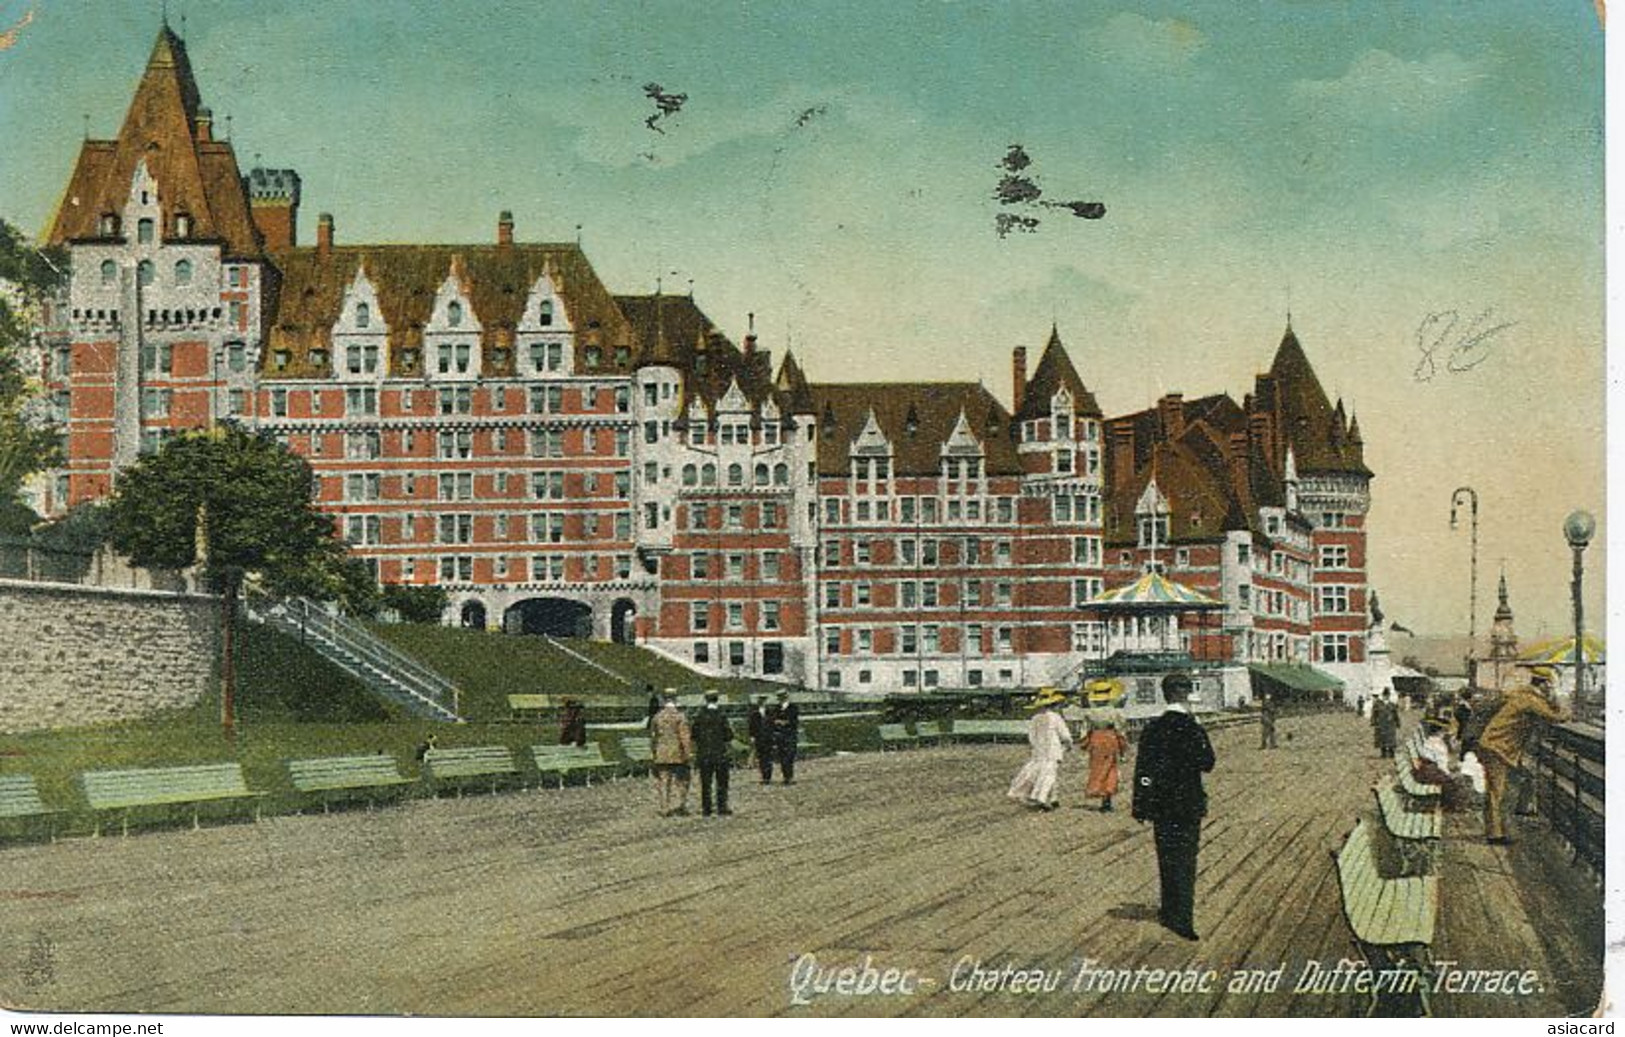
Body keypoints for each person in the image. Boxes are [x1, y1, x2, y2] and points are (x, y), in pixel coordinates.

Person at [1132, 672, 1216, 941]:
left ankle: (1169, 911)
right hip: (1188, 804)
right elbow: (1208, 763)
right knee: (1185, 859)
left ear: (1164, 694)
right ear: (1187, 694)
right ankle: (1182, 919)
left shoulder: (1152, 728)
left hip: (1160, 804)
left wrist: (1141, 804)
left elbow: (1143, 771)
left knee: (1166, 857)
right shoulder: (1193, 727)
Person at [1478, 666, 1568, 845]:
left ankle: (1515, 815)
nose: (1550, 688)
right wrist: (1559, 695)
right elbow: (1559, 716)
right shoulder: (1530, 700)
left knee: (1522, 779)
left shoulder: (1525, 696)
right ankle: (1495, 834)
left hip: (1497, 746)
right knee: (1497, 791)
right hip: (1497, 747)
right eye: (1550, 685)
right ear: (1544, 685)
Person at [1006, 687, 1074, 810]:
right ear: (1055, 704)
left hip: (1038, 750)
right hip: (1052, 750)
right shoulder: (1055, 717)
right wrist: (1069, 744)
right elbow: (1065, 735)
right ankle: (1041, 799)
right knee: (1049, 774)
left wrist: (1035, 746)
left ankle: (1053, 799)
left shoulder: (1035, 718)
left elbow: (1031, 736)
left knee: (1041, 772)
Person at [649, 693, 693, 817]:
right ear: (675, 699)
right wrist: (688, 753)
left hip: (661, 752)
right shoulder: (680, 717)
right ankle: (681, 805)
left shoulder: (657, 717)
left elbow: (653, 737)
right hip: (677, 752)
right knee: (682, 780)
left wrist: (653, 752)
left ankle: (665, 807)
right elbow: (684, 737)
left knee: (664, 780)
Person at [691, 690, 733, 817]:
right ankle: (721, 807)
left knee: (705, 782)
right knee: (722, 782)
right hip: (720, 753)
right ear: (717, 699)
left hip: (704, 753)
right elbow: (729, 735)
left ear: (706, 699)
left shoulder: (699, 716)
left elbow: (694, 735)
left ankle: (706, 808)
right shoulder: (721, 715)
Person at [1082, 713, 1128, 812]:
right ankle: (1107, 798)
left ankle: (1099, 792)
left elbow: (1085, 731)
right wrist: (1122, 748)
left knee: (1098, 770)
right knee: (1110, 770)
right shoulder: (1113, 712)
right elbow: (1120, 730)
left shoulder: (1090, 714)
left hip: (1096, 739)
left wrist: (1086, 743)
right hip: (1110, 739)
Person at [769, 690, 800, 784]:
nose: (781, 699)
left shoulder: (793, 708)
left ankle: (789, 776)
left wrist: (785, 722)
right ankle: (786, 777)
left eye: (782, 697)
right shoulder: (776, 708)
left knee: (789, 756)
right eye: (779, 697)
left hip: (790, 735)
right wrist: (776, 723)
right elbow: (772, 720)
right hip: (780, 735)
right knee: (782, 756)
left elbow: (794, 721)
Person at [747, 695, 775, 784]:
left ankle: (768, 776)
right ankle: (764, 776)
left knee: (768, 758)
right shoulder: (754, 713)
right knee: (762, 758)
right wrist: (752, 736)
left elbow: (772, 724)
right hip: (759, 738)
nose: (762, 702)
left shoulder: (770, 712)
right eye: (760, 701)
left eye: (763, 701)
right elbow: (751, 726)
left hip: (768, 738)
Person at [1372, 689, 1399, 758]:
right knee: (1382, 739)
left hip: (1390, 724)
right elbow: (1374, 714)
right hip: (1381, 723)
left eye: (1387, 695)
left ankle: (1391, 752)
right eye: (1385, 695)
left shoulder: (1392, 704)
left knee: (1391, 739)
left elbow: (1395, 714)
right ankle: (1383, 753)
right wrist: (1373, 722)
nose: (1386, 697)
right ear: (1383, 696)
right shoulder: (1378, 704)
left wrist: (1398, 722)